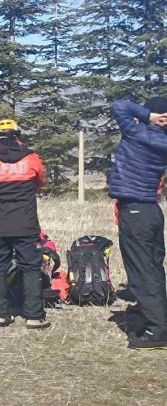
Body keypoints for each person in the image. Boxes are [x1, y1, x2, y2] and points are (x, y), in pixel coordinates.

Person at [0, 118, 49, 329]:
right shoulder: (31, 158)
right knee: (31, 268)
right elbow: (40, 182)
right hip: (26, 224)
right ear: (18, 135)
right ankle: (34, 316)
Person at [108, 97, 167, 349]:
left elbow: (118, 105)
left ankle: (157, 331)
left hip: (135, 211)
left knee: (142, 272)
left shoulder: (137, 133)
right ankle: (155, 316)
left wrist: (147, 116)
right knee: (153, 268)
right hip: (151, 210)